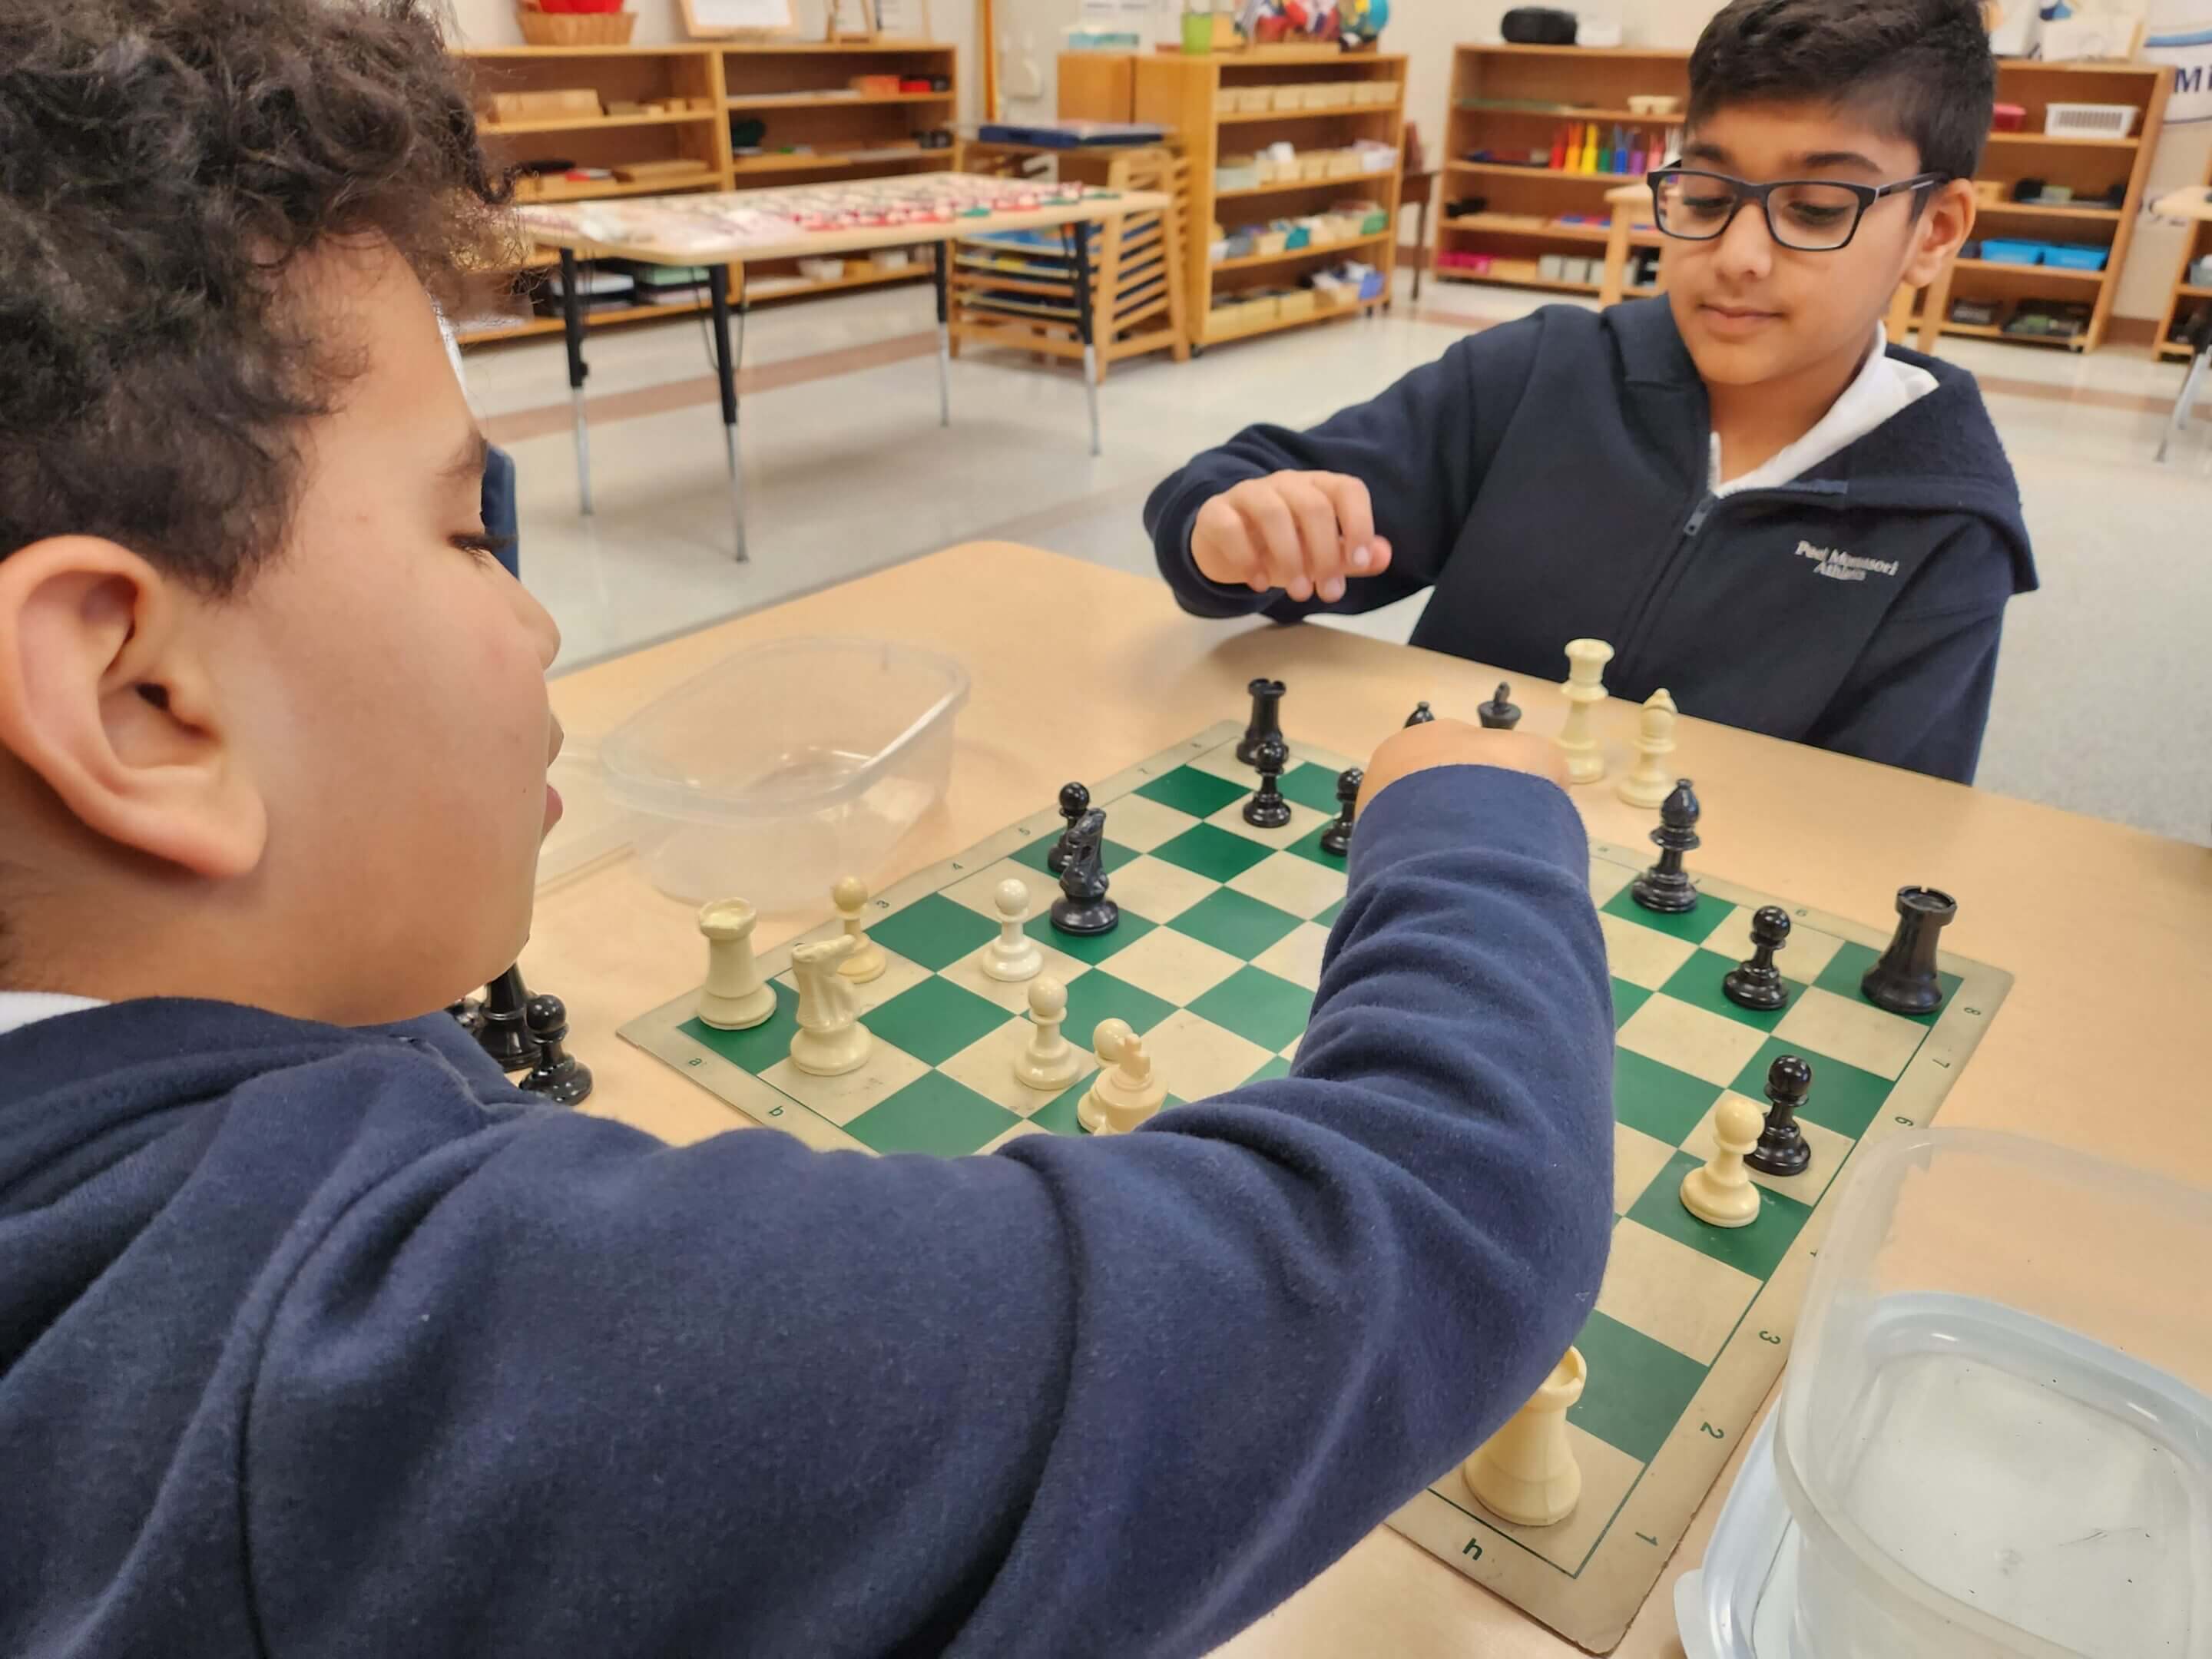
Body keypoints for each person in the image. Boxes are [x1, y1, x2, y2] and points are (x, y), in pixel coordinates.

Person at [0, 4, 1614, 1654]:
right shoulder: (410, 1365)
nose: (539, 622)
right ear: (136, 705)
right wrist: (1477, 824)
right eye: (464, 531)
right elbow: (1447, 1220)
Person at [1146, 0, 2035, 784]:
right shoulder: (1538, 374)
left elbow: (1886, 833)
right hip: (1437, 852)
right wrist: (1228, 532)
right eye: (1707, 192)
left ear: (1936, 230)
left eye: (1814, 207)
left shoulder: (1946, 522)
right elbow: (1238, 494)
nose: (1737, 255)